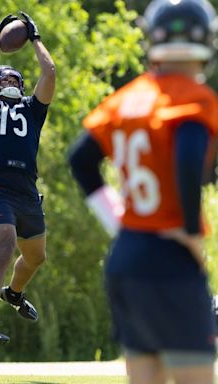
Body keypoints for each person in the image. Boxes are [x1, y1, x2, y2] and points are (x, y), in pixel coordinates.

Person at [68, 0, 218, 382]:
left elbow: (80, 159)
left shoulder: (127, 97)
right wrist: (187, 230)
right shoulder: (194, 97)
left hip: (127, 256)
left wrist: (118, 220)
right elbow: (187, 157)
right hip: (170, 259)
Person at [0, 11, 56, 344]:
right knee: (4, 249)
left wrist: (34, 37)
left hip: (27, 189)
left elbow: (49, 71)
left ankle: (14, 293)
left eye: (16, 80)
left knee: (36, 257)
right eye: (5, 79)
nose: (13, 83)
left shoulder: (32, 111)